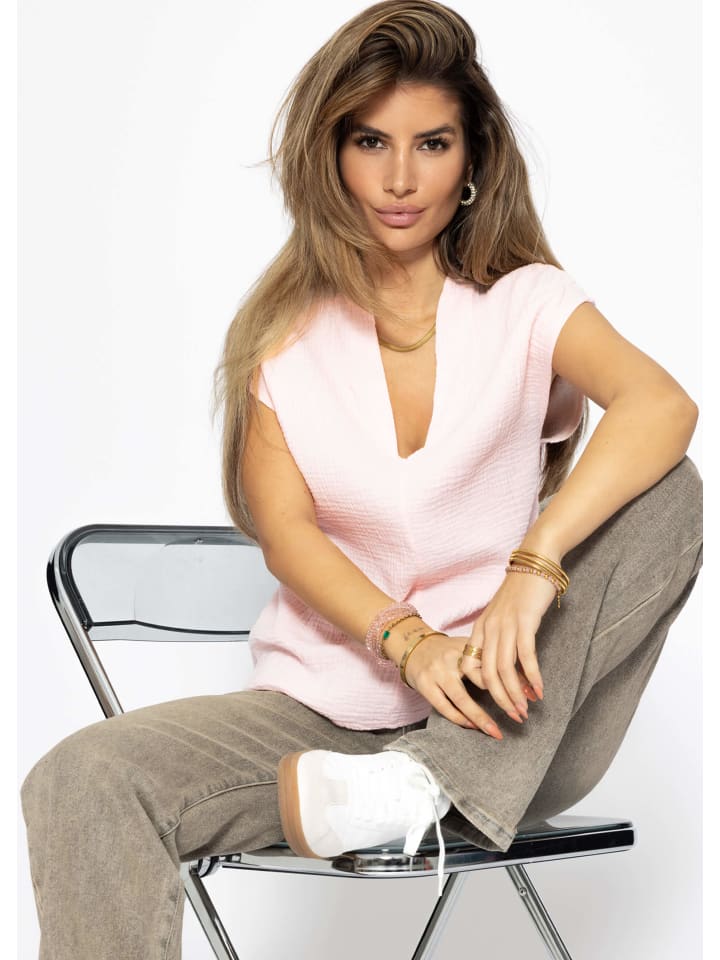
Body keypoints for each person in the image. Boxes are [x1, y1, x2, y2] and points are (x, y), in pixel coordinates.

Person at [20, 1, 702, 957]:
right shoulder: (281, 341)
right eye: (370, 141)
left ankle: (427, 784)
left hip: (512, 720)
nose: (399, 178)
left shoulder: (525, 304)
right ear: (330, 155)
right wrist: (408, 642)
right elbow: (288, 532)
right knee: (81, 776)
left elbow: (661, 405)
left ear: (473, 160)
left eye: (433, 144)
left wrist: (532, 567)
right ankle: (398, 788)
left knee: (670, 486)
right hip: (323, 737)